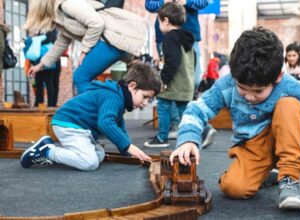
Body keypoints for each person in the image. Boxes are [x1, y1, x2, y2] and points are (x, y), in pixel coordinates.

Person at [169, 27, 300, 210]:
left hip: (290, 134)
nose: (249, 97)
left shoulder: (294, 88)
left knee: (288, 105)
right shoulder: (226, 84)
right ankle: (270, 173)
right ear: (233, 74)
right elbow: (196, 110)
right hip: (252, 145)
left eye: (258, 91)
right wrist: (188, 139)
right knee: (233, 188)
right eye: (242, 88)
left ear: (278, 77)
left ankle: (289, 180)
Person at [20, 62, 162, 171]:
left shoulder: (119, 98)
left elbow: (120, 127)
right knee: (89, 163)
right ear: (132, 86)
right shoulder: (114, 97)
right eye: (145, 97)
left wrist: (128, 153)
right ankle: (46, 150)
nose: (145, 103)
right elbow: (105, 123)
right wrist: (128, 146)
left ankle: (67, 150)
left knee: (99, 155)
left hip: (81, 129)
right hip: (68, 124)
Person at [24, 0, 146, 95]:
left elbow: (96, 23)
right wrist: (40, 66)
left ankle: (95, 112)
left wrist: (85, 50)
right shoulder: (60, 15)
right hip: (110, 40)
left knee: (80, 77)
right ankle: (103, 107)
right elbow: (61, 44)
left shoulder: (66, 4)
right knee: (83, 77)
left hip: (111, 39)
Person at [144, 2, 196, 148]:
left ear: (165, 21)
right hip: (185, 82)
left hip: (172, 82)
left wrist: (164, 79)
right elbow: (194, 61)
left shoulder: (170, 38)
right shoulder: (187, 38)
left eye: (159, 21)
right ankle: (198, 132)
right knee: (184, 111)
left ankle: (162, 137)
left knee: (163, 106)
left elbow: (172, 61)